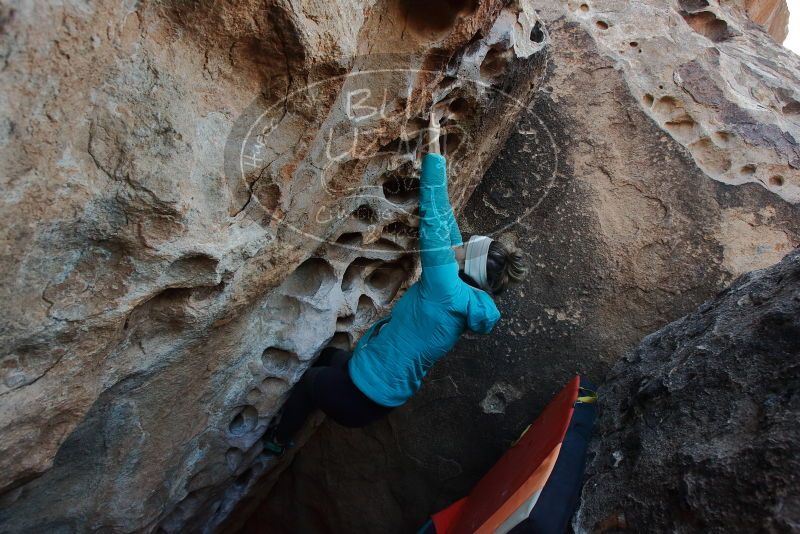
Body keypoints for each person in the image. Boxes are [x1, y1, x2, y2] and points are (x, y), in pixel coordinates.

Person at [263, 104, 529, 454]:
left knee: (312, 383)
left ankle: (277, 441)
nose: (460, 243)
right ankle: (320, 393)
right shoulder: (467, 295)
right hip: (379, 397)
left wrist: (434, 145)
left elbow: (435, 215)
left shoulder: (445, 287)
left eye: (467, 247)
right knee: (330, 356)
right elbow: (447, 219)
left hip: (357, 397)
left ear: (470, 265)